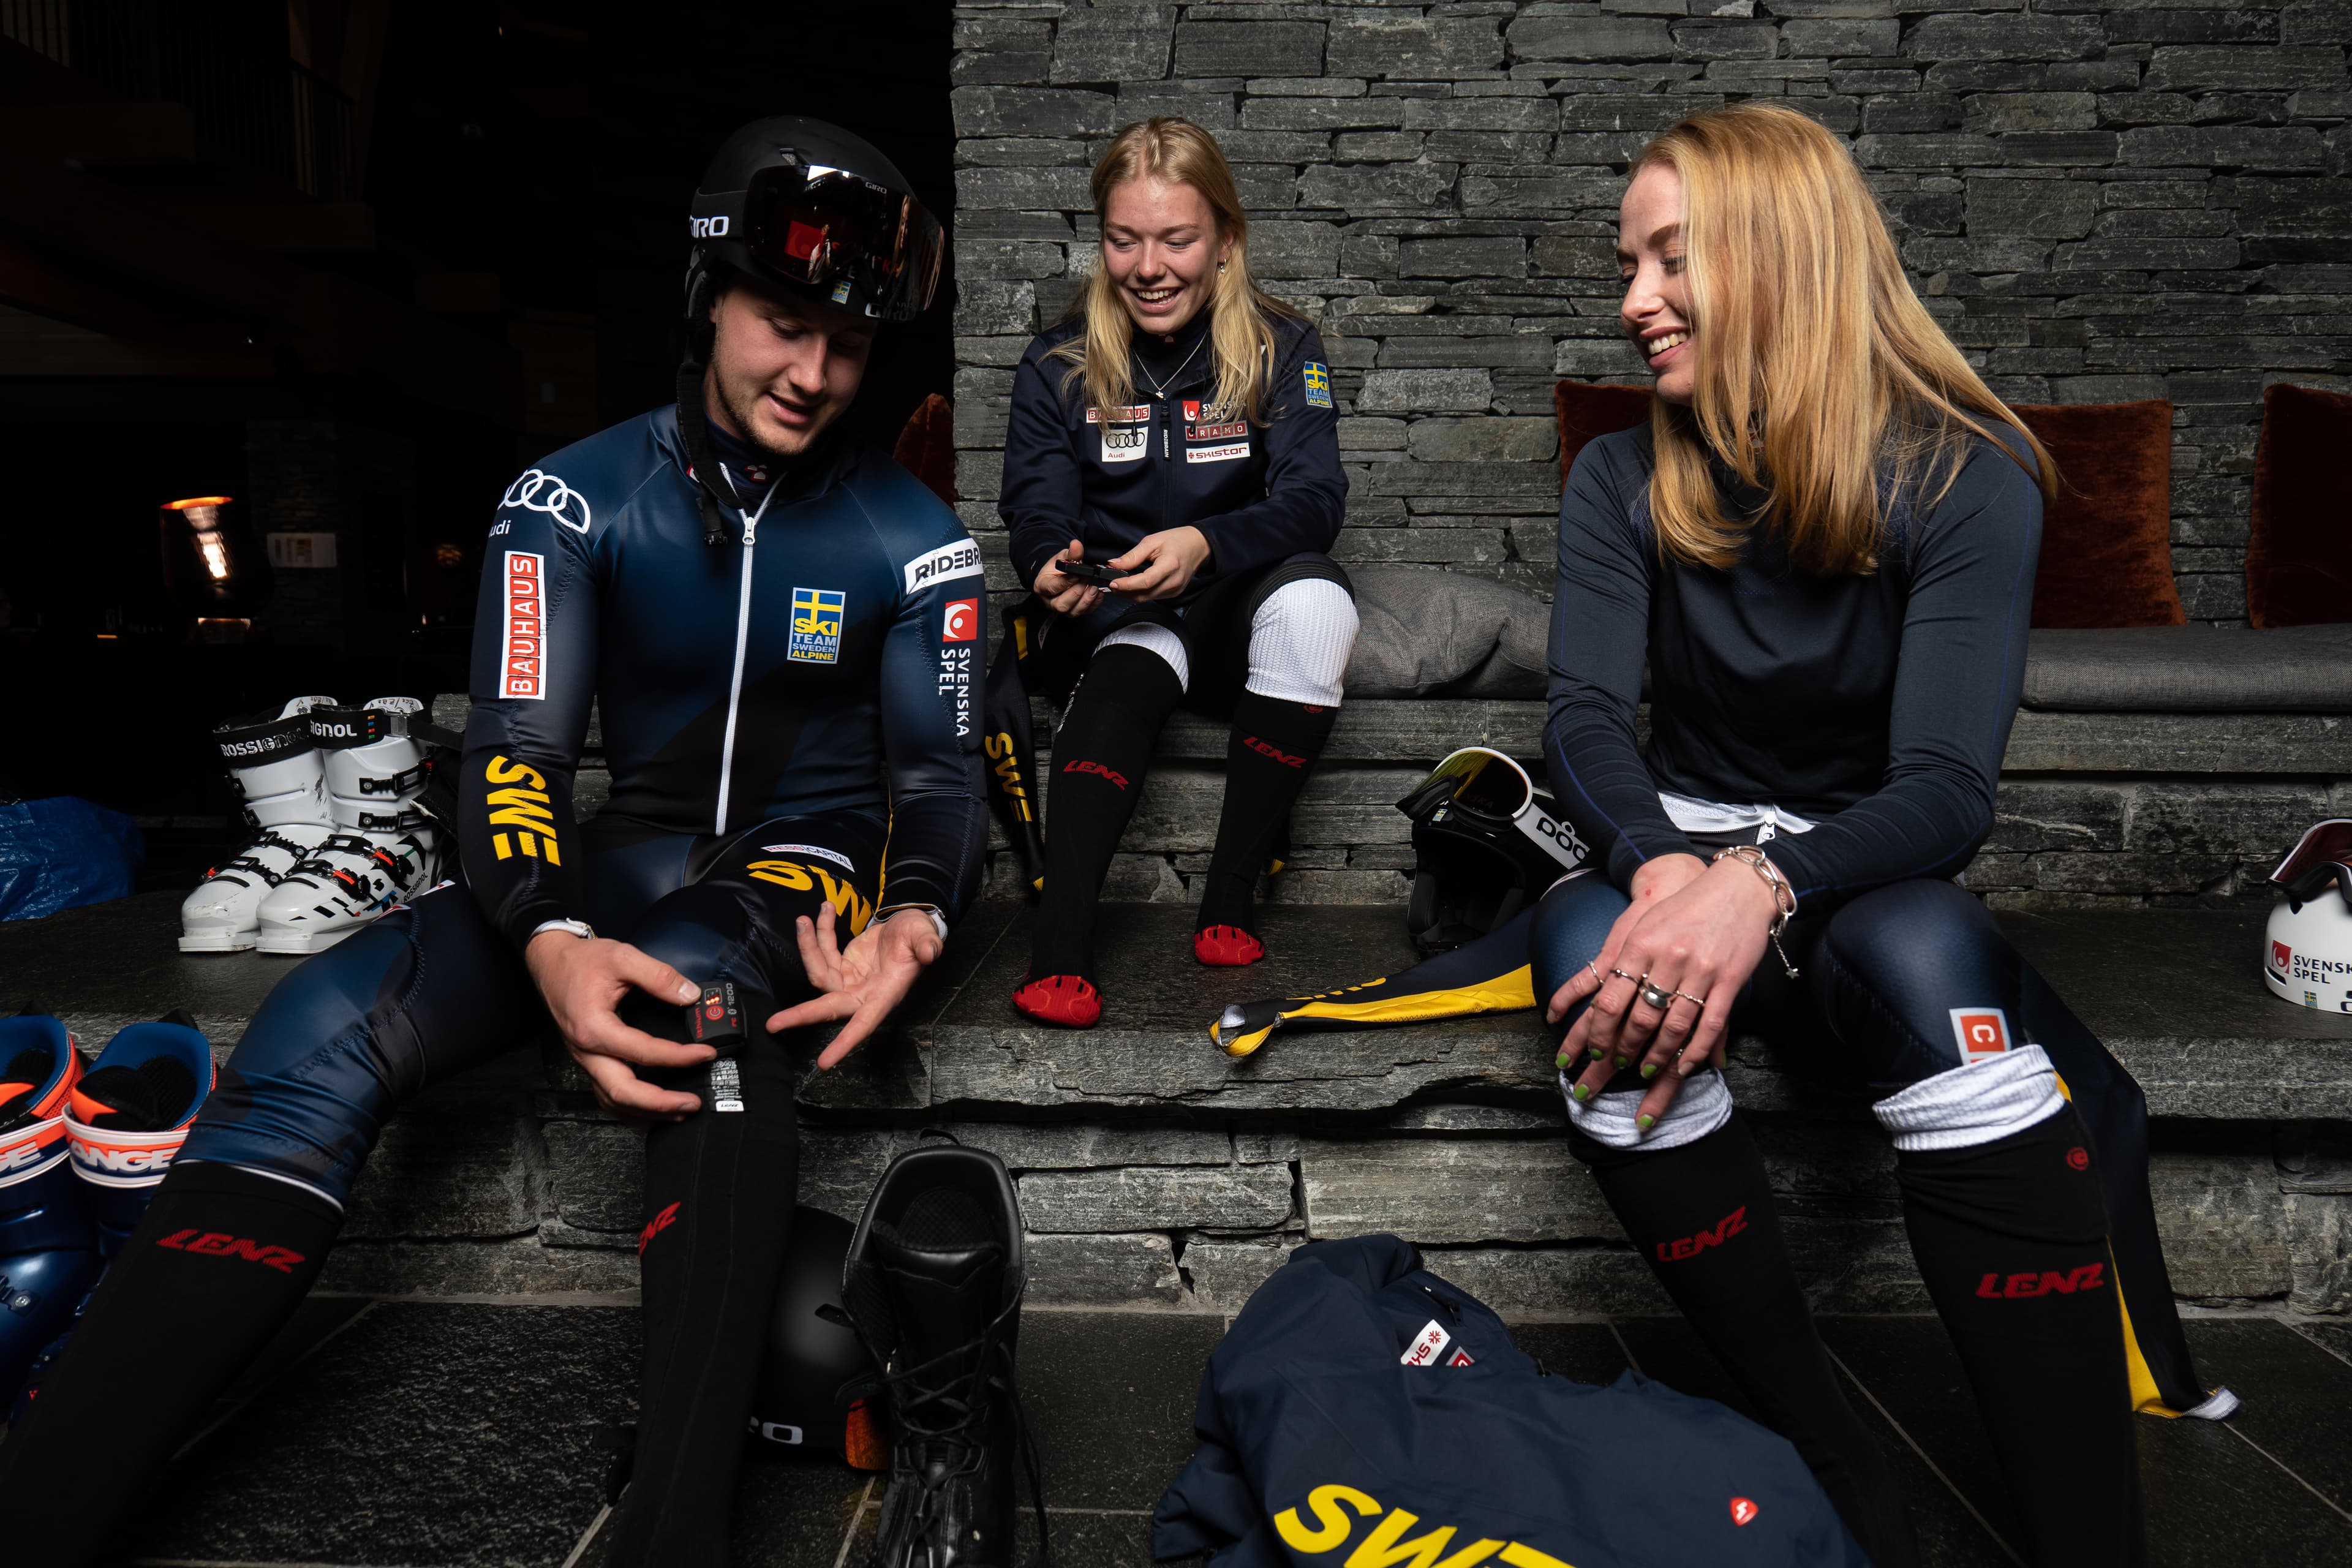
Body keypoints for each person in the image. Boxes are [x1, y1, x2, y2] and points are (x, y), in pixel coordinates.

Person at [1202, 104, 2233, 1568]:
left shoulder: (1967, 472)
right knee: (1592, 958)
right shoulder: (1623, 475)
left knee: (1945, 965)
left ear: (1785, 256)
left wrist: (1766, 879)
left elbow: (1946, 786)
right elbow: (1587, 726)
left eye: (1670, 260)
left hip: (1861, 860)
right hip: (1676, 837)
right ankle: (1831, 1452)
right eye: (1631, 263)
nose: (1633, 302)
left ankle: (2088, 1537)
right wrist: (1671, 867)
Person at [0, 117, 981, 1568]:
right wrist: (549, 934)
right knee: (321, 1021)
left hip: (795, 864)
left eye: (847, 346)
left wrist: (925, 916)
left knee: (703, 1005)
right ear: (709, 292)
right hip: (609, 862)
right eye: (785, 326)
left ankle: (673, 1535)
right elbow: (519, 755)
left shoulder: (920, 539)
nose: (813, 375)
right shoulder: (569, 500)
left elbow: (941, 774)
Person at [998, 116, 1355, 1028]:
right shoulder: (1055, 361)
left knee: (1319, 608)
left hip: (1241, 598)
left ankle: (1228, 900)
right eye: (1124, 240)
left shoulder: (1285, 346)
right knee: (1128, 672)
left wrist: (1207, 544)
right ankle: (1060, 954)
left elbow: (1315, 503)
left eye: (1176, 239)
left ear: (1225, 241)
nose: (1148, 266)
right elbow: (1035, 503)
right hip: (1128, 608)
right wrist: (1047, 565)